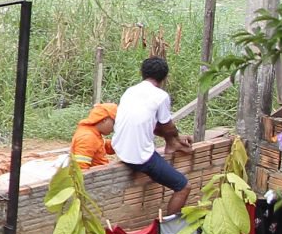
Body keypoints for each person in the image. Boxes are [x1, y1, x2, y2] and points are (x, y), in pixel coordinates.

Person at [114, 55, 193, 221]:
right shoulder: (160, 96)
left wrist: (175, 137)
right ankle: (169, 229)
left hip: (120, 149)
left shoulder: (130, 91)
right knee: (184, 186)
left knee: (167, 131)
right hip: (139, 158)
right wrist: (176, 137)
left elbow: (153, 125)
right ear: (164, 78)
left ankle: (172, 144)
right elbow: (168, 126)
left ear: (142, 73)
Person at [71, 103, 117, 171]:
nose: (114, 128)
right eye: (114, 123)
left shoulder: (94, 133)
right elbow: (81, 169)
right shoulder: (87, 137)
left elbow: (107, 147)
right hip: (97, 179)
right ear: (104, 120)